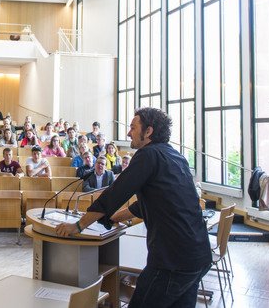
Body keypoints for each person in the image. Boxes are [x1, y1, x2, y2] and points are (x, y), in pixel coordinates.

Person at [55, 108, 212, 307]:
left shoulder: (147, 155)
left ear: (148, 132)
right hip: (198, 256)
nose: (129, 132)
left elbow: (115, 193)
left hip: (173, 260)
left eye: (132, 127)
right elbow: (147, 203)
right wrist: (113, 219)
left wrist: (78, 226)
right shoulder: (175, 156)